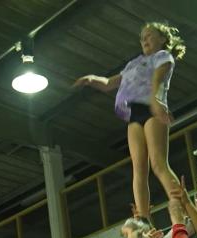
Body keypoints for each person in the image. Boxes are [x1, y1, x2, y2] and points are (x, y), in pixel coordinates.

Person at [73, 22, 186, 223]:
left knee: (158, 164)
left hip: (152, 109)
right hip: (134, 114)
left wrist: (156, 100)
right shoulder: (133, 64)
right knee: (138, 168)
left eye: (149, 36)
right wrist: (92, 79)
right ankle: (143, 218)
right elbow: (109, 83)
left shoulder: (162, 57)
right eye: (142, 37)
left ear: (162, 39)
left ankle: (182, 204)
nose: (144, 40)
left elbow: (158, 79)